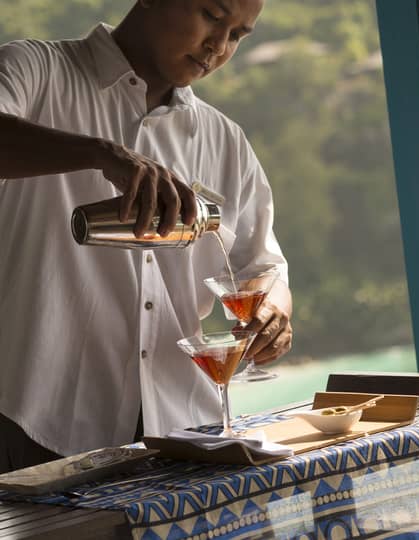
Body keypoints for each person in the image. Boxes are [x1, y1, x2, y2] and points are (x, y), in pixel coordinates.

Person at [0, 0, 294, 473]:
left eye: (238, 35)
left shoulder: (224, 140)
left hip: (184, 430)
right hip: (33, 419)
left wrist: (273, 310)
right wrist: (102, 154)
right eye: (212, 16)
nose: (218, 46)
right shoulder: (36, 70)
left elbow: (262, 266)